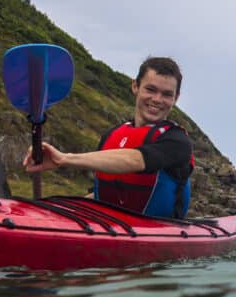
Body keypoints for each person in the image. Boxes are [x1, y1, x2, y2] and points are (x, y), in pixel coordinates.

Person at [23, 56, 194, 218]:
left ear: (176, 98)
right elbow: (98, 194)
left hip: (159, 231)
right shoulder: (111, 136)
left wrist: (63, 159)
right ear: (135, 86)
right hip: (111, 226)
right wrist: (56, 210)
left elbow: (136, 160)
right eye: (150, 89)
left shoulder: (177, 141)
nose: (157, 99)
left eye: (166, 94)